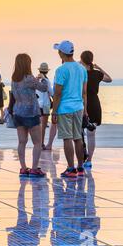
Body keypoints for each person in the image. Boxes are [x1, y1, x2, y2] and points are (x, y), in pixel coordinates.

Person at [51, 41, 88, 178]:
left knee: (67, 138)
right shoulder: (82, 69)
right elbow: (84, 92)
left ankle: (71, 168)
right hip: (78, 107)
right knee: (78, 138)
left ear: (61, 53)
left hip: (65, 108)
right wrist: (85, 110)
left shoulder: (61, 70)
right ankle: (80, 167)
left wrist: (54, 111)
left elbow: (58, 93)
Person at [11, 54, 48, 177]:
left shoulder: (14, 79)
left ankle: (23, 168)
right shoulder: (29, 78)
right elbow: (43, 88)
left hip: (18, 112)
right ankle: (34, 169)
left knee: (22, 142)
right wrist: (43, 78)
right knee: (37, 142)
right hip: (31, 113)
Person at [80, 51, 113, 168]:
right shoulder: (97, 74)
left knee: (79, 133)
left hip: (81, 103)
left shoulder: (80, 72)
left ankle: (81, 156)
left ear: (82, 60)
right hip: (94, 103)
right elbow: (109, 79)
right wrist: (99, 68)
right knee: (91, 134)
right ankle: (89, 160)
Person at [36, 63, 54, 150]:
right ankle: (41, 143)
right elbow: (52, 93)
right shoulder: (47, 81)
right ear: (47, 71)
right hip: (46, 105)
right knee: (43, 126)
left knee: (38, 126)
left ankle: (38, 143)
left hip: (37, 105)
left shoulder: (36, 80)